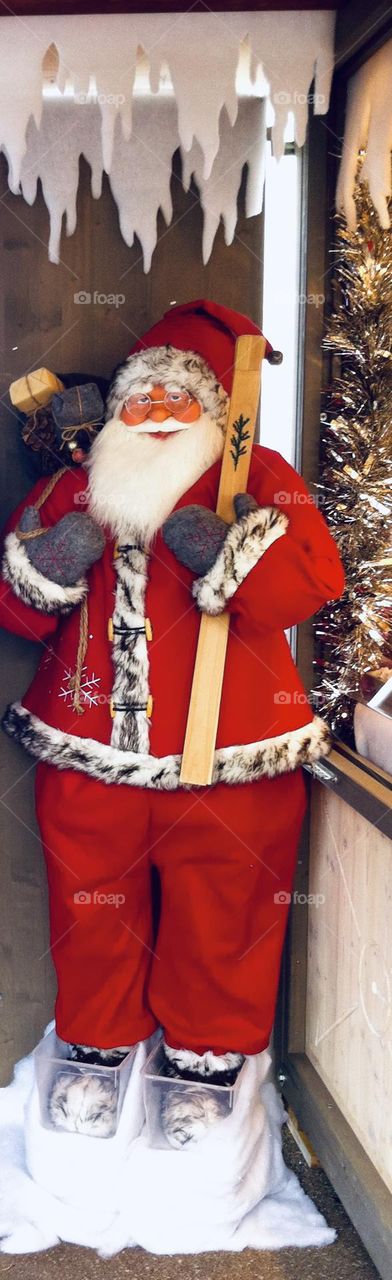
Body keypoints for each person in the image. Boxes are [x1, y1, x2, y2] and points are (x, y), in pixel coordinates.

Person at [0, 299, 344, 1142]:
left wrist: (227, 550)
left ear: (213, 411)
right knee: (91, 908)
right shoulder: (75, 484)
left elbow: (310, 583)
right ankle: (97, 1048)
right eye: (141, 399)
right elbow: (15, 611)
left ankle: (204, 1062)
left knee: (222, 909)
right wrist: (51, 562)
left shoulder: (256, 475)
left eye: (177, 398)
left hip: (230, 755)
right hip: (89, 750)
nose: (156, 413)